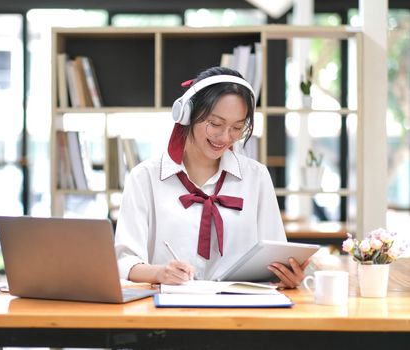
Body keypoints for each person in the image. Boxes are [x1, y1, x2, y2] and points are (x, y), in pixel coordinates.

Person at [114, 66, 308, 288]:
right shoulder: (145, 178)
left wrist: (288, 276)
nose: (225, 137)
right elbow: (124, 262)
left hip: (241, 314)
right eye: (215, 124)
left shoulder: (257, 178)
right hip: (166, 312)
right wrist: (160, 273)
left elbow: (276, 258)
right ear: (187, 115)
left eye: (237, 127)